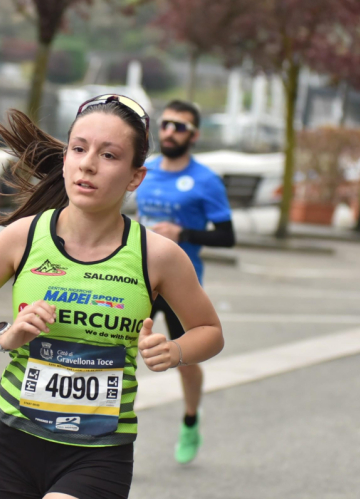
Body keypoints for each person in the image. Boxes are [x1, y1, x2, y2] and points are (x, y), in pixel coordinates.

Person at [0, 94, 224, 499]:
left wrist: (173, 351)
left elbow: (209, 330)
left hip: (100, 451)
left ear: (135, 177)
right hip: (14, 441)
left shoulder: (157, 255)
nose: (88, 164)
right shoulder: (23, 237)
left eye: (109, 155)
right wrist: (5, 335)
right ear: (66, 157)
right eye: (79, 149)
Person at [134, 100, 235, 464]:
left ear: (194, 135)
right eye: (166, 124)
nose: (170, 131)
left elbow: (227, 237)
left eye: (180, 126)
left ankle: (191, 419)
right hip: (140, 279)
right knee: (118, 352)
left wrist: (183, 231)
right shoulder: (145, 171)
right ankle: (106, 434)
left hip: (180, 285)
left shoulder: (206, 181)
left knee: (186, 361)